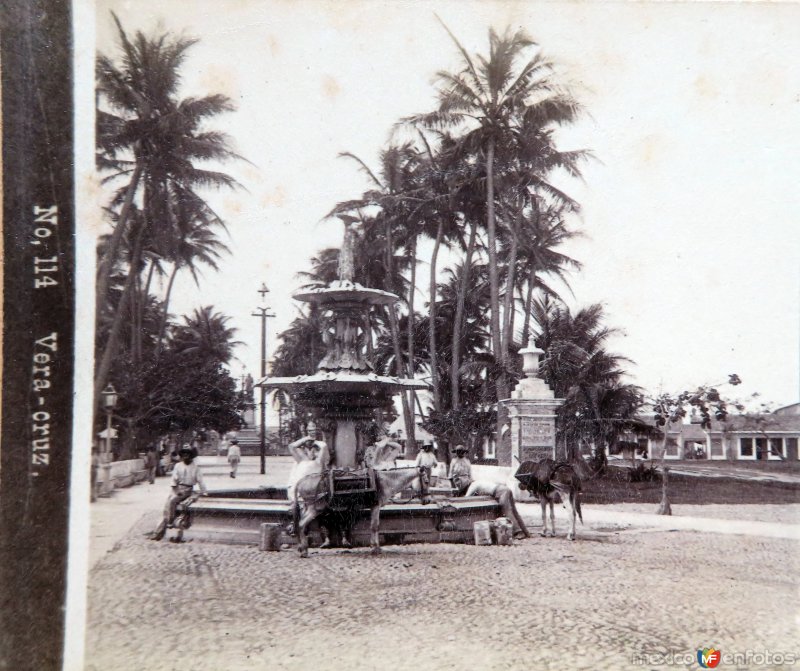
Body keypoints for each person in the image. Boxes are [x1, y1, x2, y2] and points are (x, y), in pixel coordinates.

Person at [151, 445, 208, 543]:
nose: (186, 456)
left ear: (191, 456)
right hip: (177, 488)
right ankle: (160, 531)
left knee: (173, 502)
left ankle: (170, 523)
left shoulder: (195, 468)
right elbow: (174, 480)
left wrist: (204, 491)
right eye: (184, 454)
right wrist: (176, 490)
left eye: (188, 454)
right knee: (167, 507)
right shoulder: (178, 466)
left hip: (188, 489)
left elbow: (201, 481)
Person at [465, 480, 531, 539]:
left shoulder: (472, 485)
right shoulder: (480, 482)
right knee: (514, 511)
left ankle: (518, 532)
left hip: (500, 492)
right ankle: (526, 532)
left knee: (506, 511)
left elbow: (466, 498)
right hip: (506, 489)